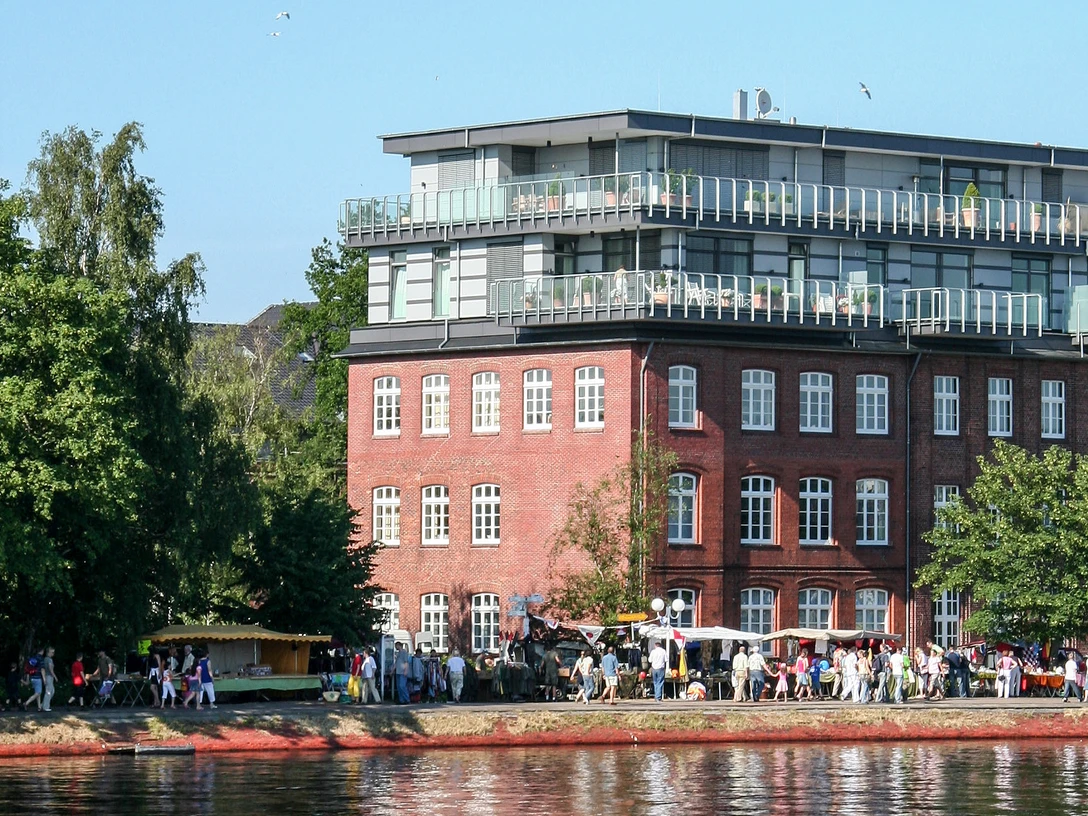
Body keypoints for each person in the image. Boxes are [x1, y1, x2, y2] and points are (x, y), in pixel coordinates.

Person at [40, 647, 57, 712]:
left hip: (48, 676)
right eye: (52, 652)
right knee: (49, 692)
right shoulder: (49, 659)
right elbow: (50, 669)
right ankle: (45, 707)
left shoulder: (46, 659)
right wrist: (55, 676)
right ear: (48, 652)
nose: (53, 653)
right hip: (49, 676)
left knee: (52, 691)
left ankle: (43, 705)